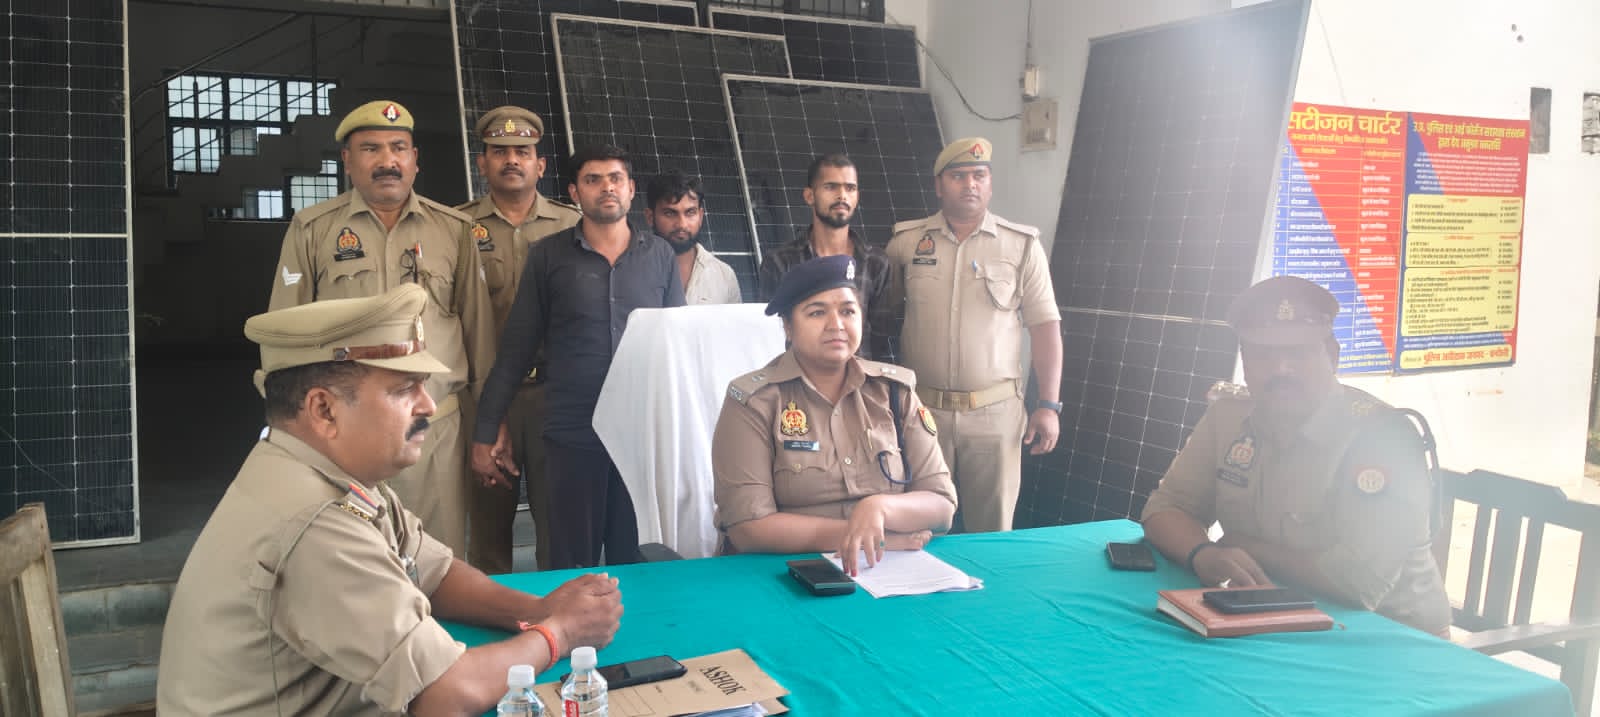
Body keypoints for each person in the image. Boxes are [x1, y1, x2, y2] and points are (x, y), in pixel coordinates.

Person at [157, 285, 622, 716]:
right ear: (323, 409)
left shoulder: (324, 472)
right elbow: (447, 692)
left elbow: (433, 572)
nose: (428, 405)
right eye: (403, 389)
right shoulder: (315, 522)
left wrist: (535, 611)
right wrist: (560, 632)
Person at [1141, 276, 1451, 636]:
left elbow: (1359, 583)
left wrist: (1244, 546)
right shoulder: (1228, 417)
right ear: (1245, 361)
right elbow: (1165, 508)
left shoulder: (1383, 438)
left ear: (1332, 356)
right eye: (1263, 354)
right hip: (1273, 616)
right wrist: (1203, 554)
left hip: (1392, 636)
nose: (1281, 369)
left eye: (1299, 353)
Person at [269, 99, 494, 558]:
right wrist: (290, 426)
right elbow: (284, 335)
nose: (387, 161)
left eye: (398, 148)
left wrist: (490, 424)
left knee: (438, 557)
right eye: (370, 149)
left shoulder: (454, 229)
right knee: (351, 556)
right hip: (344, 430)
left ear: (415, 160)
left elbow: (479, 331)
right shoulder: (313, 229)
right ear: (347, 161)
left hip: (433, 427)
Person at [472, 144, 686, 570]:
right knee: (571, 561)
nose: (606, 188)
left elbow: (676, 346)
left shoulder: (660, 255)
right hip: (571, 432)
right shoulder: (548, 256)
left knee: (637, 556)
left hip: (641, 435)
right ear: (574, 192)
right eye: (593, 180)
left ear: (631, 190)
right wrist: (485, 431)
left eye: (615, 179)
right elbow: (516, 349)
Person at [713, 255, 957, 575]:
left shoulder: (894, 392)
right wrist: (864, 536)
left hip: (892, 567)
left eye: (847, 311)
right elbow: (748, 528)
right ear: (787, 326)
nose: (836, 325)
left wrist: (879, 508)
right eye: (817, 312)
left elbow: (941, 504)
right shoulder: (754, 401)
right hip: (783, 571)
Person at [884, 138, 1062, 533]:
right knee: (919, 529)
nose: (970, 184)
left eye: (979, 175)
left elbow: (1045, 327)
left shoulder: (1022, 246)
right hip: (922, 413)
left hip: (994, 415)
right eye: (958, 176)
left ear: (990, 183)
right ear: (939, 185)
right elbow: (884, 318)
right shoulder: (905, 243)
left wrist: (1048, 405)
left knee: (992, 531)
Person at [456, 105, 582, 573]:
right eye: (499, 151)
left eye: (523, 152)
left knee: (559, 529)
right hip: (486, 395)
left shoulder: (572, 225)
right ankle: (489, 616)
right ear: (482, 162)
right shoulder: (456, 227)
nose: (512, 159)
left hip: (556, 397)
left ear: (540, 165)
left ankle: (557, 615)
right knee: (488, 534)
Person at [758, 154, 897, 362]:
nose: (842, 196)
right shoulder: (780, 262)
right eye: (831, 187)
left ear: (857, 196)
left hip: (861, 379)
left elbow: (881, 338)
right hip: (797, 379)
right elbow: (769, 335)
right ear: (809, 196)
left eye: (850, 188)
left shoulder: (876, 263)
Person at [645, 169, 742, 304]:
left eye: (690, 212)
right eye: (670, 213)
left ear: (700, 216)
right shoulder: (630, 271)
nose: (682, 224)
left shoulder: (724, 276)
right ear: (650, 217)